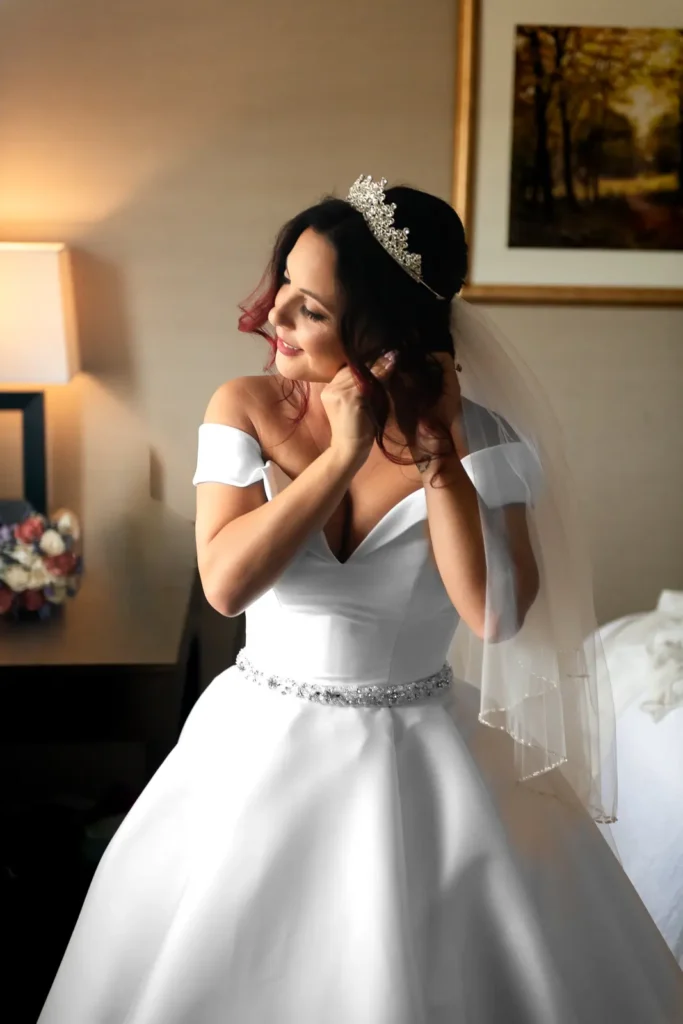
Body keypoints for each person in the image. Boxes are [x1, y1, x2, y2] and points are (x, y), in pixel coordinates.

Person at [38, 175, 683, 1023]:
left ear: (379, 327)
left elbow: (492, 614)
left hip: (422, 753)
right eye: (282, 292)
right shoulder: (244, 406)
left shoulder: (478, 436)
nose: (272, 319)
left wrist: (435, 456)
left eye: (308, 308)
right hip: (257, 741)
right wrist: (340, 455)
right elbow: (227, 585)